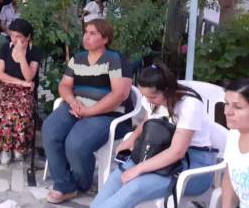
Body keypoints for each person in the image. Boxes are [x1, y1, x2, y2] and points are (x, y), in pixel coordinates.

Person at [91, 62, 216, 208]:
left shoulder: (189, 105)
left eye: (152, 97)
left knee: (134, 188)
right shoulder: (152, 99)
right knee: (115, 179)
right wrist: (132, 139)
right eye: (144, 96)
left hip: (191, 165)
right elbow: (148, 120)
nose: (148, 101)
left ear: (167, 90)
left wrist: (137, 169)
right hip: (157, 151)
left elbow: (177, 152)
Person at [43, 19, 130, 204]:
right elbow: (64, 85)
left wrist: (89, 112)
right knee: (50, 130)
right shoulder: (78, 58)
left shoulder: (113, 59)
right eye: (86, 32)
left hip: (104, 113)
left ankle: (81, 183)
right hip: (76, 107)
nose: (86, 37)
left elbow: (118, 94)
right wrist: (72, 101)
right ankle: (65, 185)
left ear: (105, 39)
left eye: (92, 33)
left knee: (76, 144)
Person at [0, 18, 41, 165]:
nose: (14, 39)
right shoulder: (5, 48)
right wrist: (21, 82)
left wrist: (21, 58)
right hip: (6, 87)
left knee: (21, 110)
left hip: (25, 91)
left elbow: (29, 76)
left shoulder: (34, 51)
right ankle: (5, 148)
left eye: (18, 36)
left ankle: (19, 146)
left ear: (28, 37)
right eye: (12, 35)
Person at [222, 78, 249, 208]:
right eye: (226, 104)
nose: (227, 112)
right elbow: (229, 178)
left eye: (238, 107)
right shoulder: (234, 134)